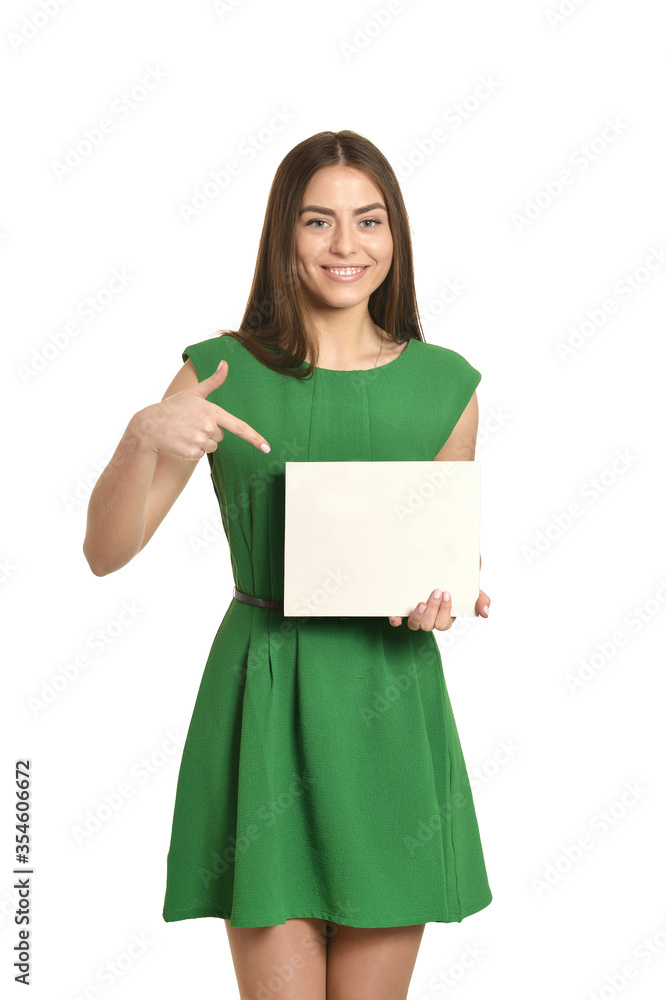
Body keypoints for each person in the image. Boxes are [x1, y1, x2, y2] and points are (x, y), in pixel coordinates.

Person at [83, 129, 493, 1000]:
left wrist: (444, 600)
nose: (346, 246)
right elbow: (104, 554)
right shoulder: (221, 370)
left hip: (388, 707)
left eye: (368, 221)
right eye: (319, 221)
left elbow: (446, 560)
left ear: (396, 235)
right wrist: (139, 436)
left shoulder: (448, 386)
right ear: (284, 234)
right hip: (264, 694)